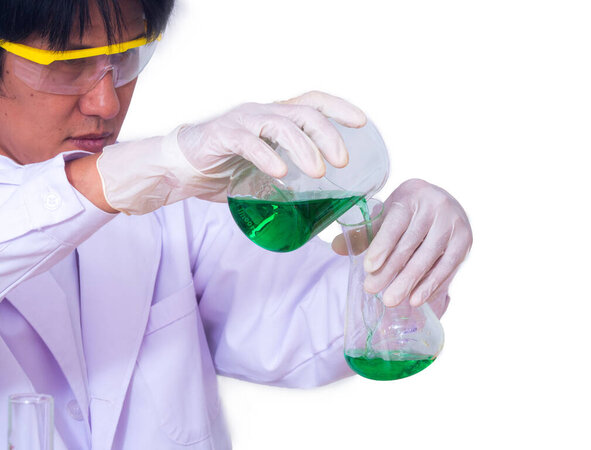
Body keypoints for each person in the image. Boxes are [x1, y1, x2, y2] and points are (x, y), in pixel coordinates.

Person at [0, 0, 473, 448]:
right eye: (65, 62)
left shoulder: (164, 206)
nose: (105, 102)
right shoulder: (140, 177)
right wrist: (131, 175)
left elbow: (306, 327)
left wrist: (408, 254)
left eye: (125, 56)